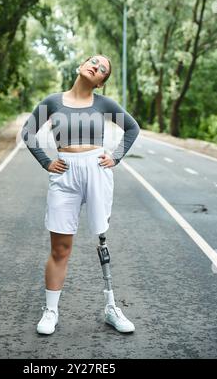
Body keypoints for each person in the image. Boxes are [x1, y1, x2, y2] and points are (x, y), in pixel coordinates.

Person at [21, 55, 140, 335]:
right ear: (81, 66)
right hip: (64, 172)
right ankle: (51, 311)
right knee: (60, 247)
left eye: (102, 70)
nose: (96, 67)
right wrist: (46, 161)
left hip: (96, 169)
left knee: (101, 236)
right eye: (93, 62)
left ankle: (112, 307)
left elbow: (132, 128)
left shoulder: (103, 104)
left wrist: (116, 157)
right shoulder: (53, 101)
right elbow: (28, 132)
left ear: (101, 82)